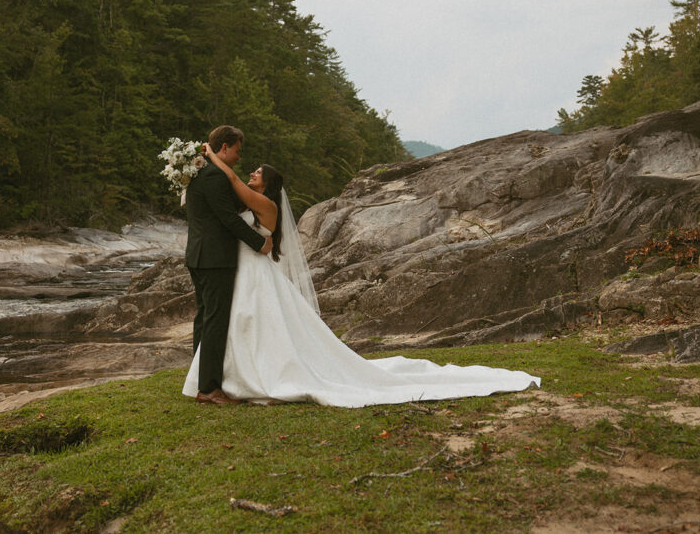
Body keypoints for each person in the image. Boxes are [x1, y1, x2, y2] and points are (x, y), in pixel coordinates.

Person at [182, 145, 541, 407]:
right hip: (243, 269)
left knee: (258, 322)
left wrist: (209, 155)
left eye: (258, 173)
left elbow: (232, 180)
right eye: (252, 171)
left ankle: (253, 376)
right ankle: (231, 376)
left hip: (256, 270)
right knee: (241, 322)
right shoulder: (250, 200)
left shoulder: (265, 203)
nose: (251, 174)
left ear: (268, 183)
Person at [184, 125, 272, 405]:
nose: (238, 157)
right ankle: (209, 389)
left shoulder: (200, 172)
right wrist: (260, 243)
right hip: (214, 258)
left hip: (199, 255)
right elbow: (228, 219)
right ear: (224, 147)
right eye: (236, 150)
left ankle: (199, 381)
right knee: (214, 321)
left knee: (204, 318)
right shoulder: (213, 176)